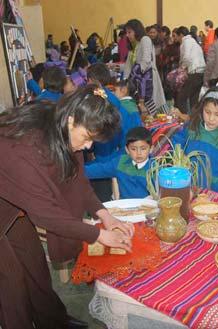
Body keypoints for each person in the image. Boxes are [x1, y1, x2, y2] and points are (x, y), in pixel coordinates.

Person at [0, 85, 134, 329]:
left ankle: (52, 322)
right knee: (11, 284)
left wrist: (105, 215)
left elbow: (77, 180)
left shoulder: (62, 124)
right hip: (8, 198)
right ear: (73, 120)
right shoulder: (25, 149)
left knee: (35, 266)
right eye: (87, 138)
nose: (88, 147)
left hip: (13, 202)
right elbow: (47, 215)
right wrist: (101, 235)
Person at [173, 86, 218, 196]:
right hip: (190, 188)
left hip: (217, 192)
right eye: (207, 112)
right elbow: (176, 145)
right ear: (201, 109)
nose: (211, 118)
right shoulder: (191, 128)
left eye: (217, 114)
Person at [85, 127, 152, 199]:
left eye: (143, 149)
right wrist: (74, 169)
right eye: (133, 149)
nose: (139, 153)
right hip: (124, 207)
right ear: (127, 150)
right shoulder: (120, 163)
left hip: (148, 207)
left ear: (151, 149)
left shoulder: (155, 167)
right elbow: (96, 170)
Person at [123, 19, 165, 116]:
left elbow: (146, 61)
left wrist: (133, 74)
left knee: (153, 110)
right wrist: (124, 80)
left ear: (136, 31)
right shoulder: (133, 46)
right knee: (143, 111)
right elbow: (128, 66)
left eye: (129, 32)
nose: (127, 35)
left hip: (148, 80)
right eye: (126, 33)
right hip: (139, 83)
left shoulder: (145, 40)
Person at [175, 26, 206, 116]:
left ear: (181, 35)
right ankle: (194, 119)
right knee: (194, 99)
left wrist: (181, 68)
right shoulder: (193, 41)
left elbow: (186, 58)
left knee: (182, 98)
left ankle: (182, 119)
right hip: (201, 72)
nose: (176, 39)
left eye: (176, 36)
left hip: (194, 72)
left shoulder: (186, 41)